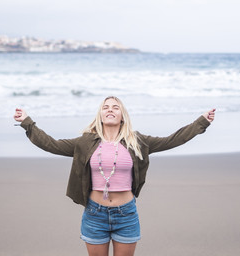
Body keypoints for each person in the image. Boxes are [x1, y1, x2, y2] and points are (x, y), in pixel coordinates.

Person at [14, 96, 215, 256]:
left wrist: (201, 122)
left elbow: (173, 139)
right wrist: (27, 123)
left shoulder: (137, 141)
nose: (110, 109)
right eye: (105, 107)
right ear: (100, 115)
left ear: (122, 116)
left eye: (115, 107)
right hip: (94, 215)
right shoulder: (85, 142)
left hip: (126, 215)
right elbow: (52, 145)